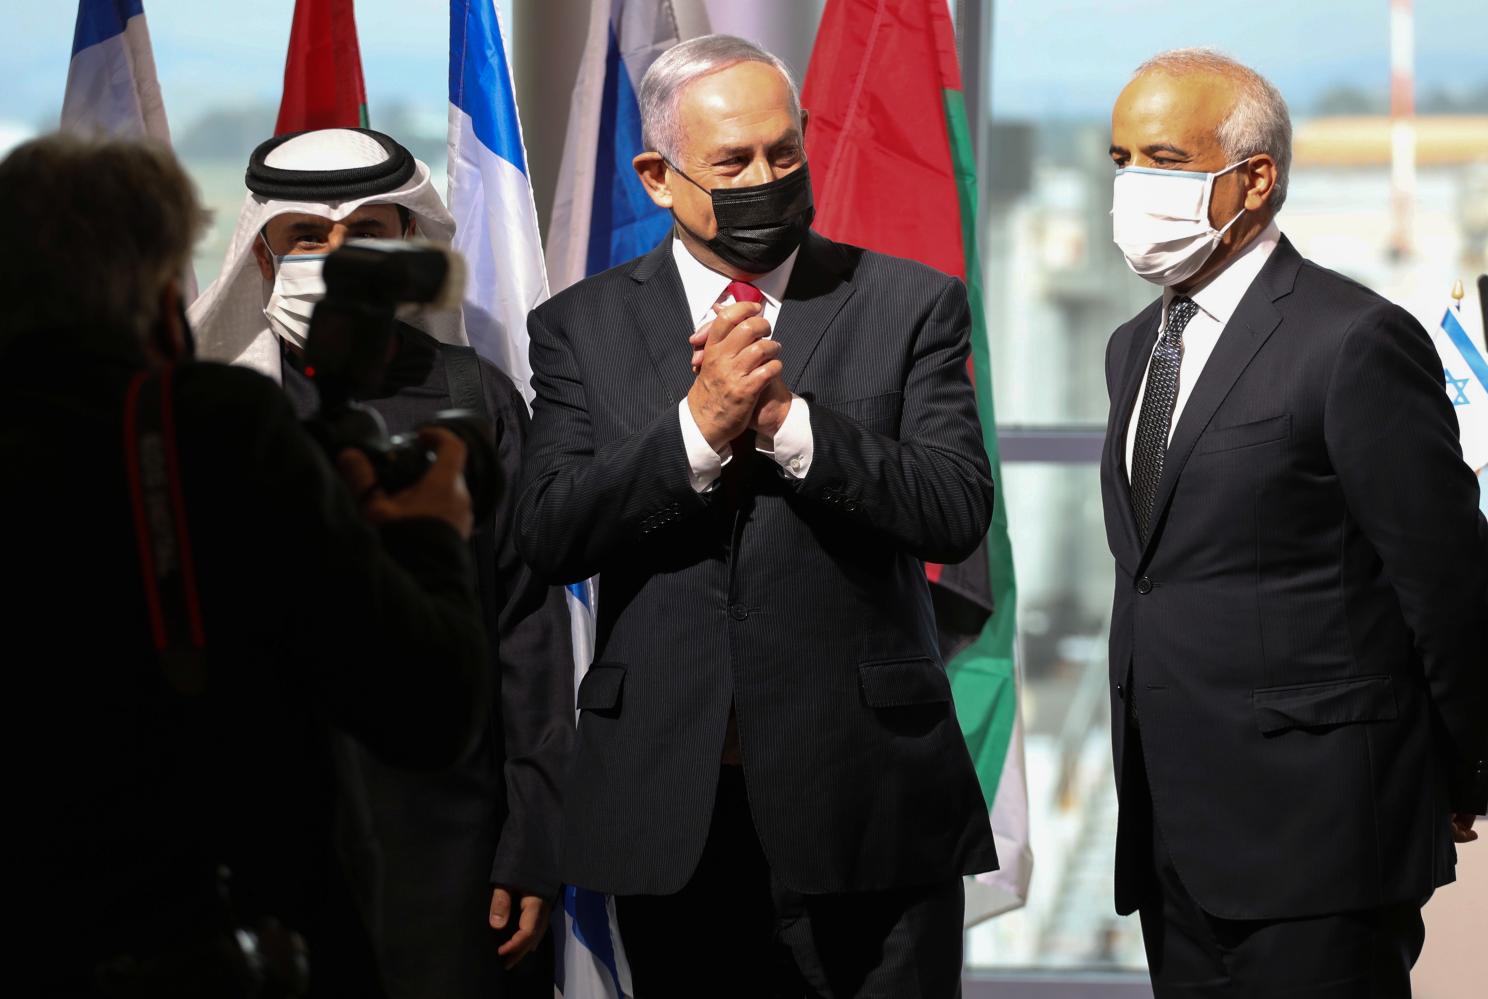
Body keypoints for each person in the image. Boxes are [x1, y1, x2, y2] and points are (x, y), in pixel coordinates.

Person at [517, 34, 997, 997]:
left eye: (783, 153)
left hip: (870, 801)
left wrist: (786, 423)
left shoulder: (908, 303)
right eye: (732, 163)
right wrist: (697, 430)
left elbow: (953, 510)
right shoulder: (578, 325)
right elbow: (550, 530)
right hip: (672, 805)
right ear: (657, 176)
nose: (766, 179)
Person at [5, 135, 489, 995]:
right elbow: (420, 705)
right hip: (204, 918)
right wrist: (429, 535)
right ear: (161, 292)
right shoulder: (212, 425)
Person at [1099, 48, 1488, 996]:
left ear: (1254, 178)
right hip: (1170, 829)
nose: (1130, 187)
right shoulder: (1130, 348)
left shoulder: (1352, 338)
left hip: (1321, 835)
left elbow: (1443, 578)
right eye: (1119, 161)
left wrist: (1447, 779)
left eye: (1161, 157)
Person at [189, 127, 572, 997]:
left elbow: (529, 636)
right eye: (307, 239)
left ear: (409, 244)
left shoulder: (478, 399)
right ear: (260, 255)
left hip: (449, 839)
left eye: (366, 230)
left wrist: (532, 839)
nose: (337, 256)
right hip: (263, 831)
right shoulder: (217, 413)